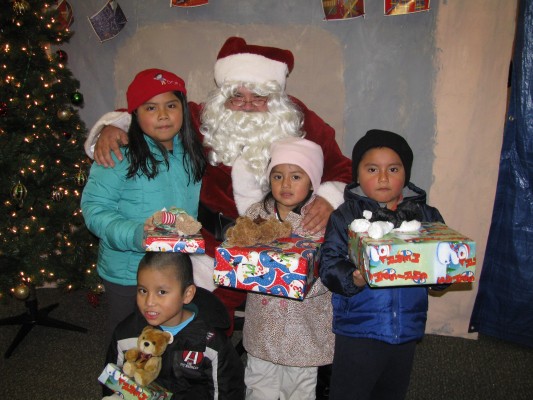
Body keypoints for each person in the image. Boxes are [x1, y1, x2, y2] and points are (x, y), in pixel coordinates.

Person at [84, 37, 352, 332]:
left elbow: (342, 166)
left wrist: (328, 198)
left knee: (283, 328)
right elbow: (157, 113)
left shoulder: (296, 119)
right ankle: (207, 365)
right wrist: (115, 125)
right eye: (237, 96)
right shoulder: (205, 119)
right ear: (223, 97)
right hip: (208, 247)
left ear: (275, 98)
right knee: (200, 323)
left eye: (259, 97)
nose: (248, 106)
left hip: (275, 245)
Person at [319, 129, 447, 400]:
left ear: (406, 173)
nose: (383, 178)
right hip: (359, 327)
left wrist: (442, 271)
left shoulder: (426, 216)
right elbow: (328, 265)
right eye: (372, 169)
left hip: (407, 327)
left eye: (393, 168)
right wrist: (353, 278)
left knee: (391, 392)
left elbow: (442, 267)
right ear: (357, 175)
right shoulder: (345, 216)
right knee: (349, 392)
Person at [81, 68, 206, 339]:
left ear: (182, 109)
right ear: (134, 114)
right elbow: (94, 210)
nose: (163, 115)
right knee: (129, 339)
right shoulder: (118, 154)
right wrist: (138, 235)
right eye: (151, 107)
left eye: (171, 105)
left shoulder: (190, 152)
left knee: (167, 337)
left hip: (174, 266)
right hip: (129, 272)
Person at [241, 137, 334, 400]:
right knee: (259, 385)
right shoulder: (255, 214)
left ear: (312, 181)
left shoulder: (321, 220)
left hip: (304, 327)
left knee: (300, 389)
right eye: (278, 176)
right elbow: (240, 254)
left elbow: (332, 268)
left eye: (296, 176)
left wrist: (303, 280)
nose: (285, 184)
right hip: (263, 322)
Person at [105, 252, 245, 399]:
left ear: (187, 294)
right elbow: (113, 383)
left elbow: (228, 392)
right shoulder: (126, 334)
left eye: (162, 292)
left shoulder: (211, 344)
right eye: (143, 291)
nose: (149, 302)